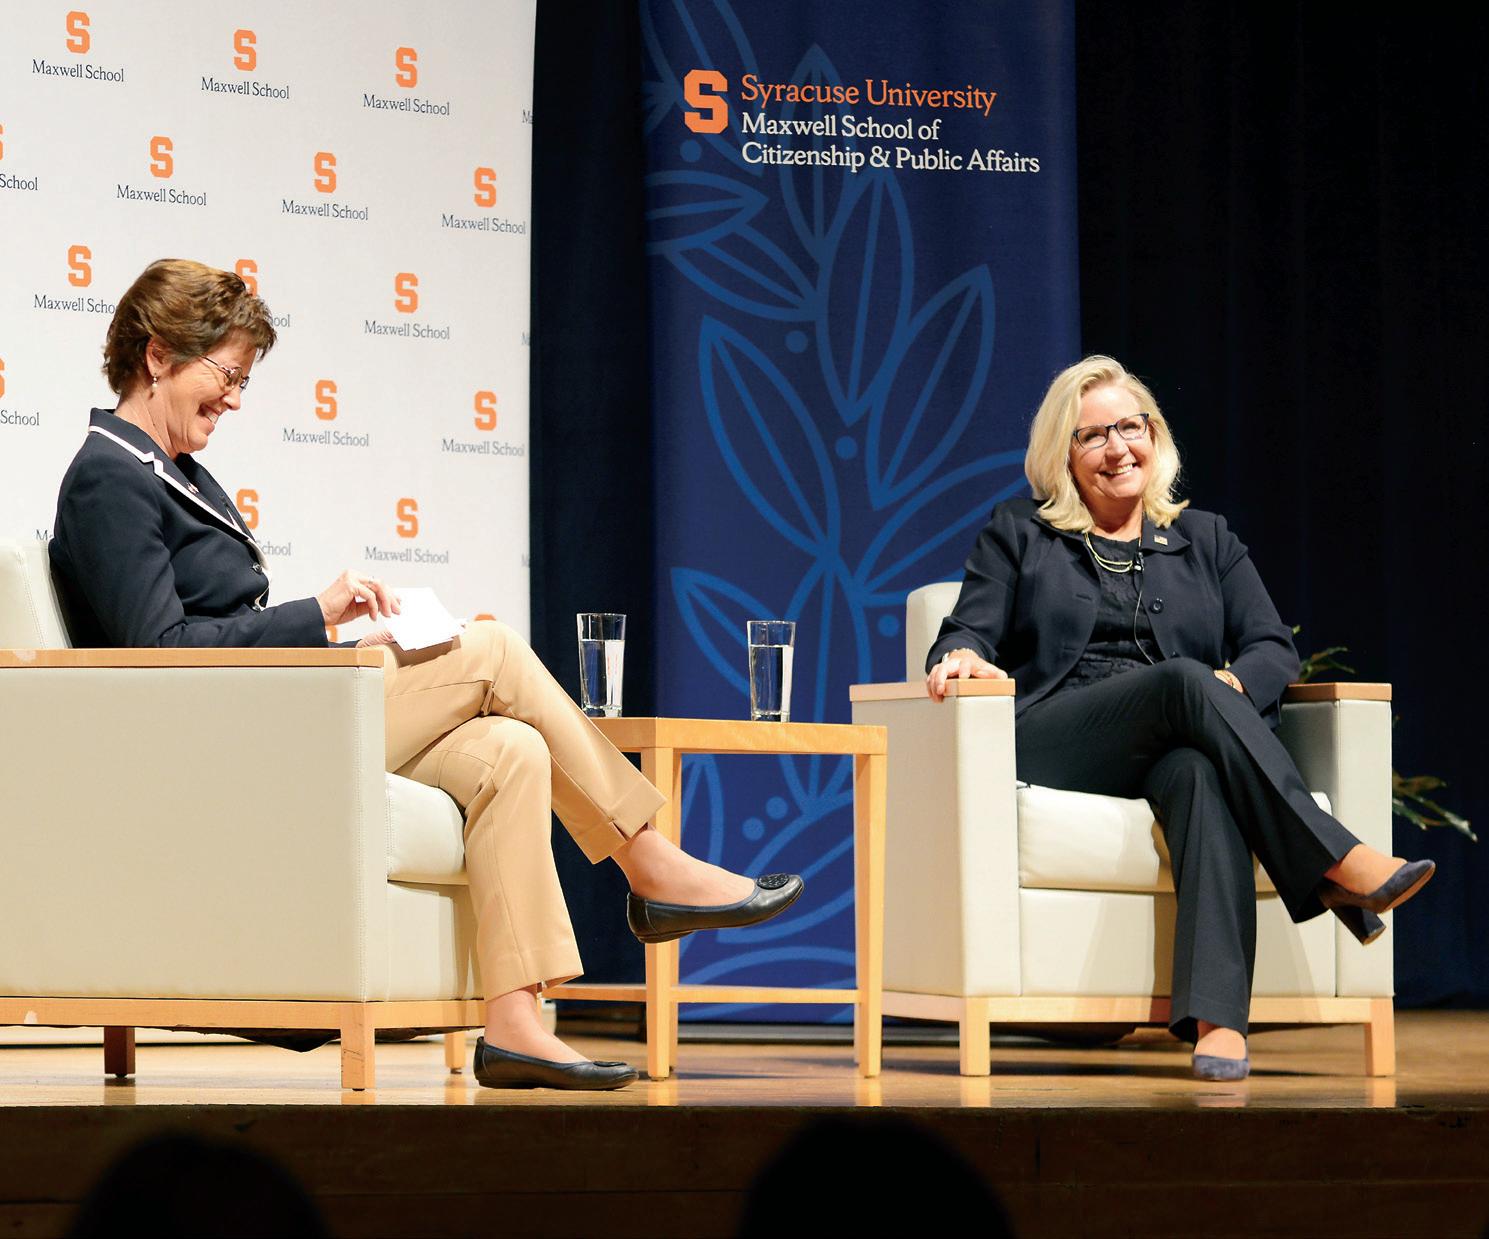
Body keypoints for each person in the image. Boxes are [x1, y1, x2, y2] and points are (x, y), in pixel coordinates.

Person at [48, 259, 803, 1090]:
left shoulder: (176, 472)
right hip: (231, 738)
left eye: (242, 380)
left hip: (273, 712)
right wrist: (318, 616)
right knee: (494, 649)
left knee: (511, 750)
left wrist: (345, 642)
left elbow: (211, 632)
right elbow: (159, 650)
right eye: (226, 375)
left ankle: (514, 1023)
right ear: (157, 355)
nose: (234, 399)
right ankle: (648, 862)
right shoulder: (107, 476)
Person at [924, 355, 1433, 1081]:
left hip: (1173, 736)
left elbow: (1270, 647)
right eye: (1092, 435)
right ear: (1062, 455)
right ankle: (1333, 861)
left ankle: (1218, 1021)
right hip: (1059, 737)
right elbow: (965, 629)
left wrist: (1232, 683)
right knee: (1184, 683)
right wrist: (961, 656)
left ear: (1155, 436)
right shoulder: (1018, 532)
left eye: (1130, 428)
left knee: (1199, 773)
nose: (1117, 448)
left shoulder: (1206, 537)